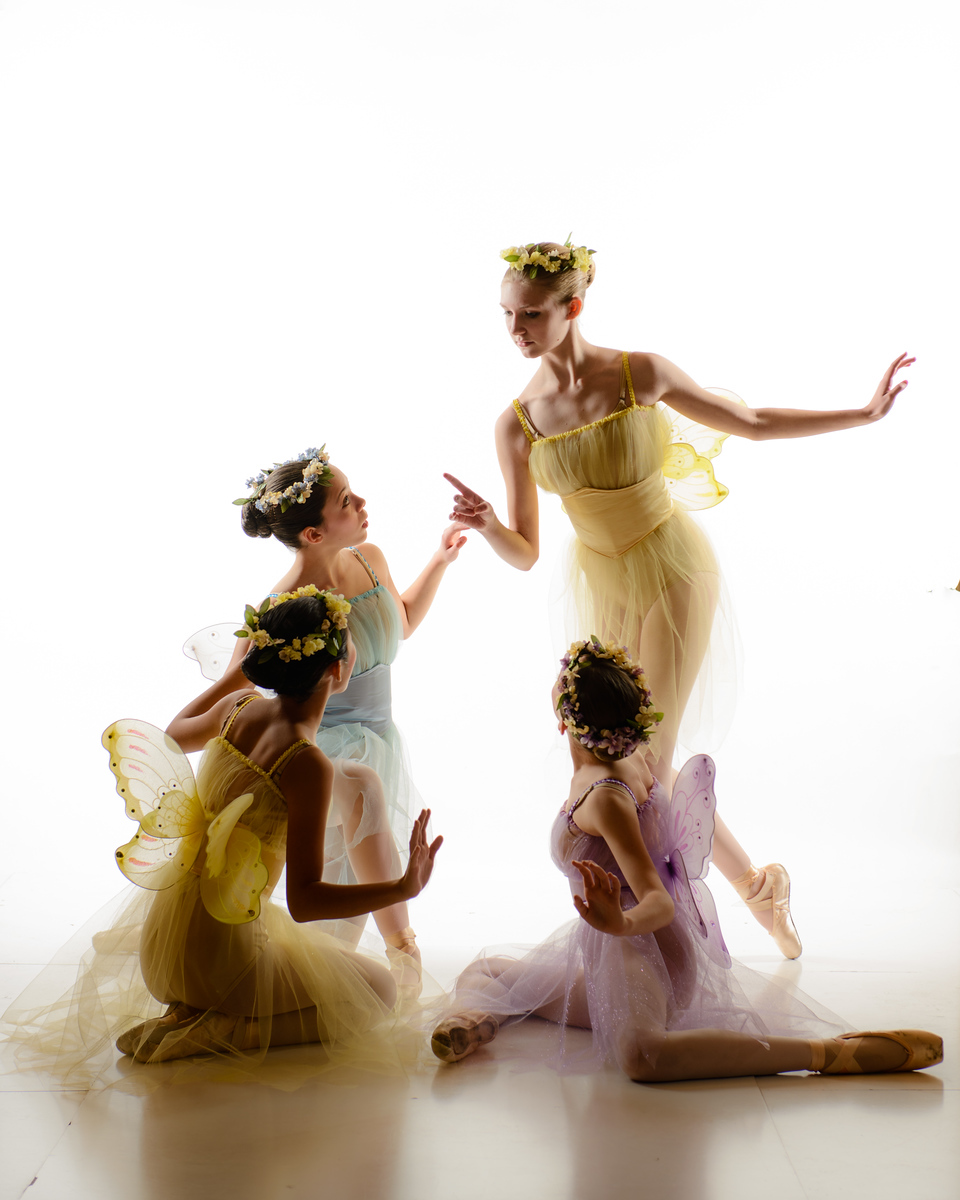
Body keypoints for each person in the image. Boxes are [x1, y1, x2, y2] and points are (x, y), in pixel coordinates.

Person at [444, 239, 914, 958]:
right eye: (506, 316)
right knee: (620, 765)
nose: (517, 330)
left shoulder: (641, 374)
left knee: (649, 770)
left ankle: (684, 924)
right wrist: (486, 529)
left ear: (573, 307)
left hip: (672, 570)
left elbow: (751, 423)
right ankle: (757, 887)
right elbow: (527, 552)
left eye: (531, 314)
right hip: (600, 584)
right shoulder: (518, 422)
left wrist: (863, 413)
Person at [430, 640, 942, 1082]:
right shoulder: (635, 758)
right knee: (483, 971)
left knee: (642, 1057)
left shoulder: (604, 796)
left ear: (565, 721)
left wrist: (619, 922)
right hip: (638, 945)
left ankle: (830, 1055)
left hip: (636, 945)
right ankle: (475, 1022)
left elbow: (656, 899)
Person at [4, 587, 441, 1079]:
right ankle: (219, 1031)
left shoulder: (238, 706)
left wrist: (239, 673)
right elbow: (305, 902)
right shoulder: (307, 764)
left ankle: (198, 1010)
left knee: (326, 956)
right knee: (377, 993)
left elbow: (173, 733)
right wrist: (402, 886)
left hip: (163, 954)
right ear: (336, 671)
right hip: (223, 968)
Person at [223, 446, 466, 990]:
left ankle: (382, 959)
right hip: (326, 747)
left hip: (382, 736)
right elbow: (241, 681)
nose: (362, 503)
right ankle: (403, 952)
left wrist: (440, 561)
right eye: (345, 501)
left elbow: (399, 622)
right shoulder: (285, 604)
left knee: (344, 925)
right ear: (313, 534)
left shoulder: (367, 557)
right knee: (358, 830)